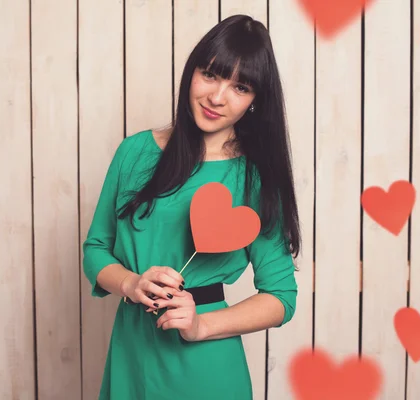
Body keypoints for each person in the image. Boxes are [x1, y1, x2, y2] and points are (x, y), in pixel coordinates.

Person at [82, 14, 301, 400]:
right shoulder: (134, 152)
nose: (218, 97)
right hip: (131, 354)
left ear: (255, 101)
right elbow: (96, 249)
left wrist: (201, 325)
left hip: (206, 367)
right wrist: (132, 283)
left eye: (241, 87)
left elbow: (280, 297)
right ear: (191, 72)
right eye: (211, 74)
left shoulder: (255, 177)